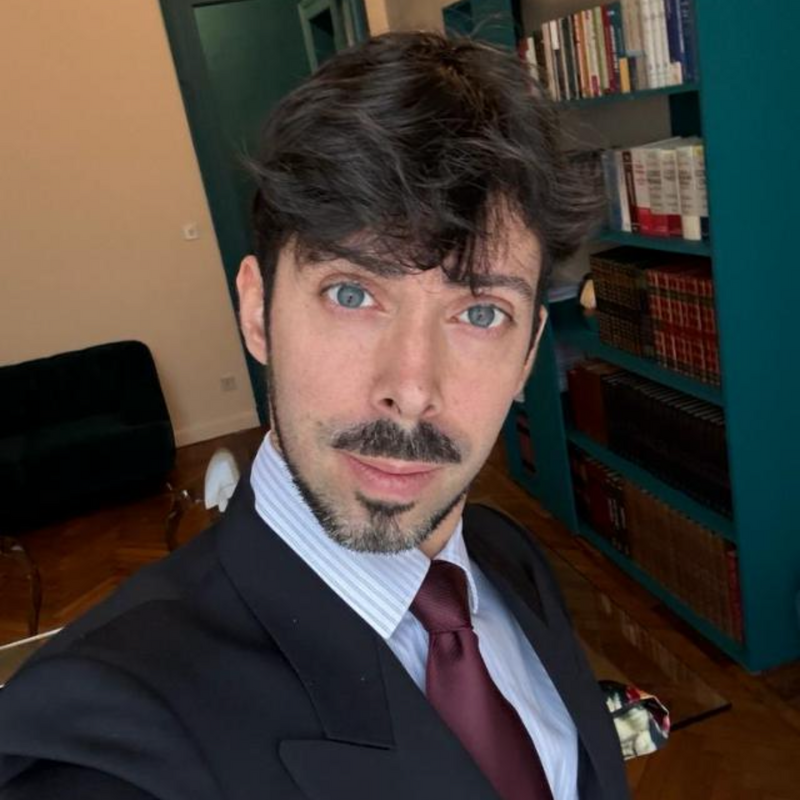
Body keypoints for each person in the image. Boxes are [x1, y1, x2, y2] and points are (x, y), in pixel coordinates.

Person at [0, 31, 629, 800]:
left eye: (479, 313)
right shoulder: (102, 733)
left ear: (529, 350)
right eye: (352, 294)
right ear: (257, 311)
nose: (411, 389)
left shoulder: (507, 560)